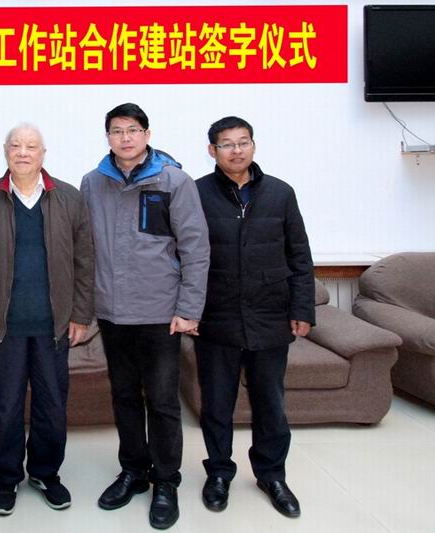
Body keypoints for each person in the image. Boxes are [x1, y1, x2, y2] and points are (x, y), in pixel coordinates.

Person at [81, 103, 209, 530]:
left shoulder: (174, 181)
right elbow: (85, 249)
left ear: (147, 134)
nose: (125, 138)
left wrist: (188, 309)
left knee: (163, 400)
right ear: (108, 137)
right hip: (112, 312)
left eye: (133, 130)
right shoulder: (92, 182)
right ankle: (134, 471)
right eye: (117, 131)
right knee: (123, 397)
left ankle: (166, 481)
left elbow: (195, 248)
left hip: (160, 313)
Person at [0, 124, 94, 516]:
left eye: (31, 146)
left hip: (54, 327)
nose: (23, 152)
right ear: (5, 151)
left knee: (52, 406)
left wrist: (81, 314)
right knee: (5, 406)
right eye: (15, 145)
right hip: (2, 327)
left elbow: (85, 260)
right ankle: (6, 478)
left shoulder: (68, 197)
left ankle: (46, 474)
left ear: (43, 153)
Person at [194, 116, 315, 519]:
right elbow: (184, 255)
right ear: (212, 151)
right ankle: (219, 473)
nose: (236, 150)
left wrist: (301, 308)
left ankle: (272, 475)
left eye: (243, 142)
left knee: (270, 404)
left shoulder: (280, 193)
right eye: (227, 144)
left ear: (253, 146)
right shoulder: (197, 193)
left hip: (269, 316)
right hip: (217, 317)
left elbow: (300, 255)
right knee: (216, 404)